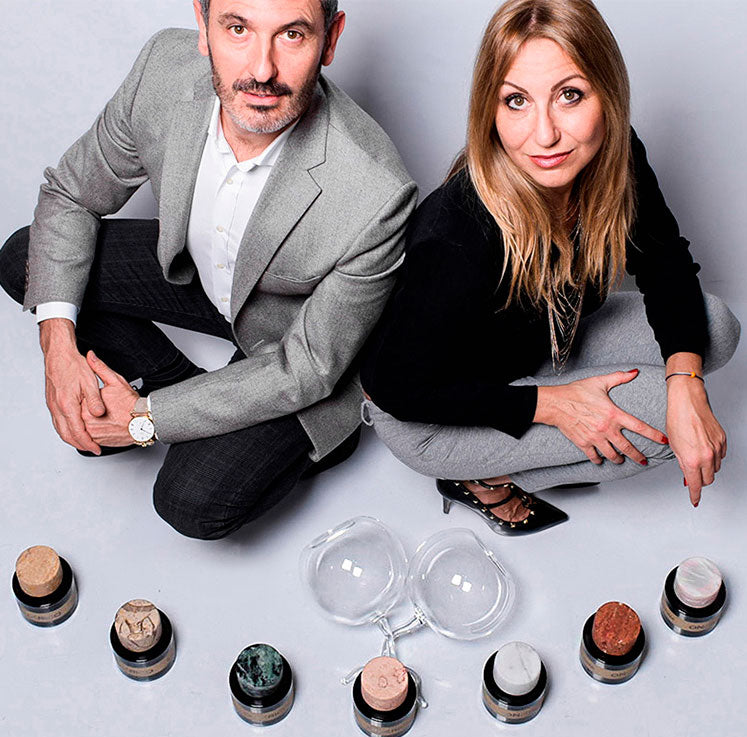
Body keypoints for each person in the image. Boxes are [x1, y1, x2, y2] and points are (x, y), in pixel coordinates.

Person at [0, 0, 417, 540]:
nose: (262, 70)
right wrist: (58, 347)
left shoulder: (376, 193)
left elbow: (307, 369)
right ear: (203, 26)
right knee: (26, 260)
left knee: (188, 502)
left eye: (292, 34)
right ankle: (182, 388)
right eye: (238, 29)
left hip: (292, 342)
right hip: (200, 273)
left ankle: (278, 432)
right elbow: (71, 195)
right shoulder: (163, 70)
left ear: (330, 40)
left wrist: (144, 420)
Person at [360, 0, 740, 535]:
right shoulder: (458, 234)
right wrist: (551, 405)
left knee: (713, 329)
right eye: (516, 101)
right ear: (490, 111)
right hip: (431, 414)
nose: (544, 136)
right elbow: (394, 387)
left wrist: (687, 380)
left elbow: (663, 259)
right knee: (662, 421)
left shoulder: (613, 155)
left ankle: (561, 424)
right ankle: (482, 478)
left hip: (542, 344)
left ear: (607, 93)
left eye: (569, 95)